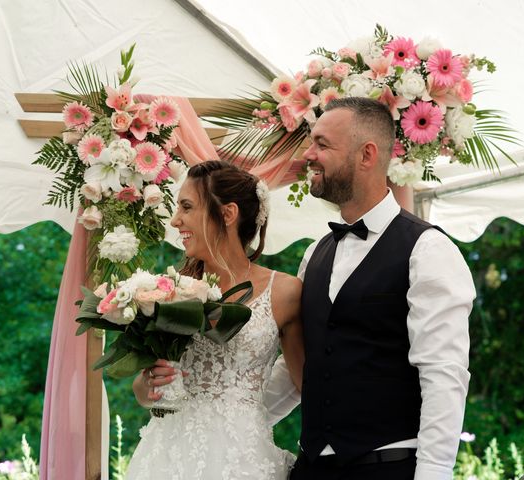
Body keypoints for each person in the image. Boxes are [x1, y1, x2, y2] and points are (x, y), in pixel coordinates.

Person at [288, 97, 475, 480]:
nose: (308, 154)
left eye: (322, 144)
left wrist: (434, 474)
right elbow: (302, 363)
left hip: (388, 469)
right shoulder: (313, 255)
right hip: (310, 469)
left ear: (367, 155)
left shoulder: (428, 250)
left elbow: (444, 375)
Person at [125, 160, 304, 480]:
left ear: (227, 213)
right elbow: (141, 388)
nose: (176, 219)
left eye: (187, 207)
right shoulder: (168, 291)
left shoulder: (285, 292)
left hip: (242, 460)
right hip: (167, 457)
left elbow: (307, 384)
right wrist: (150, 382)